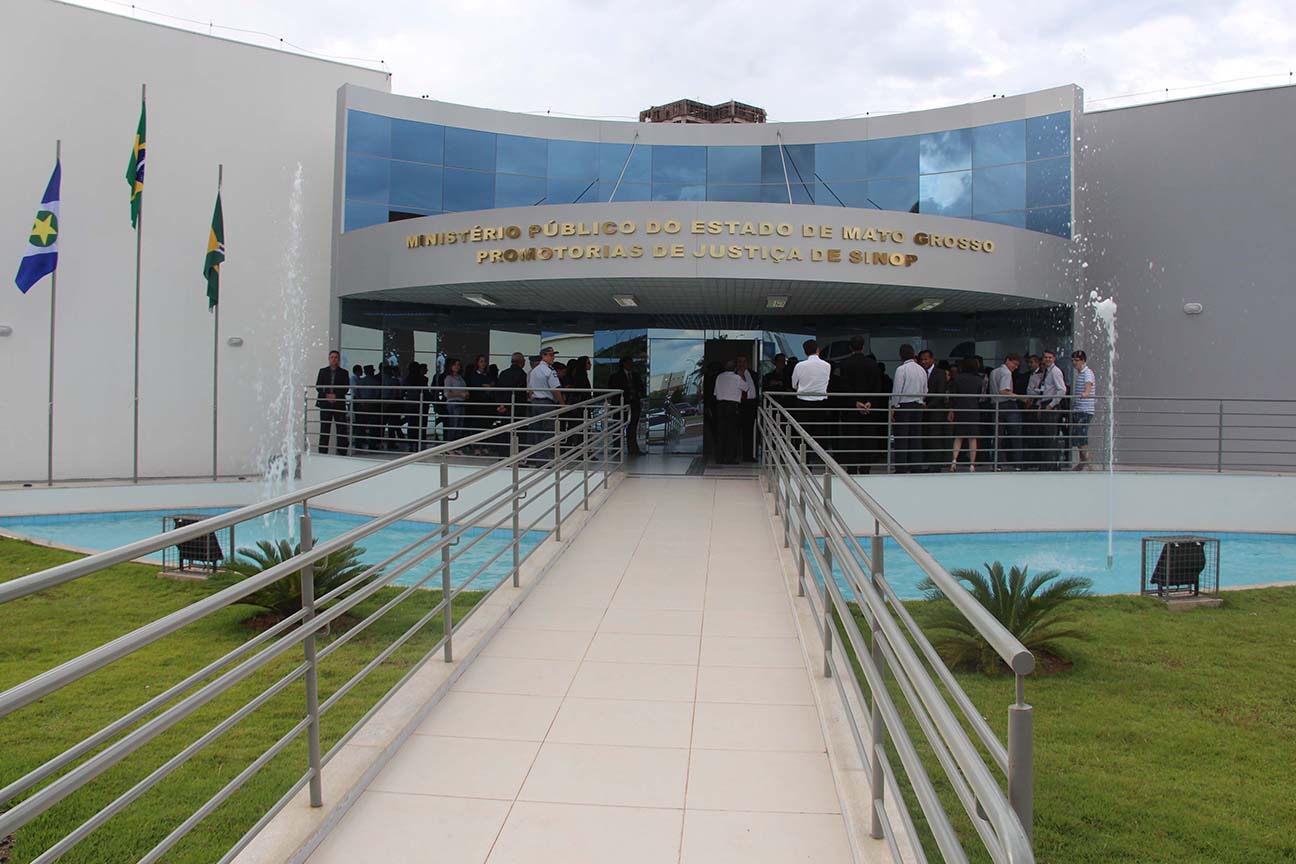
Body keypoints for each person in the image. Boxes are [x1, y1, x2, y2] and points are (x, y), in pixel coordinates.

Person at [836, 335, 883, 472]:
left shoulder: (844, 364)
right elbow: (877, 386)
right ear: (863, 347)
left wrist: (855, 402)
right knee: (868, 438)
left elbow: (843, 386)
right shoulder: (872, 364)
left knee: (851, 438)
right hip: (868, 408)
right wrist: (869, 402)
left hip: (851, 408)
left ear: (850, 347)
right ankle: (865, 467)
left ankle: (851, 467)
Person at [890, 345, 928, 473]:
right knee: (916, 437)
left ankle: (901, 466)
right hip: (918, 405)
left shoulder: (901, 369)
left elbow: (897, 390)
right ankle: (916, 465)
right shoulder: (921, 370)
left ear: (901, 355)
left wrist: (894, 406)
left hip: (904, 405)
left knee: (902, 437)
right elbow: (925, 390)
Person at [948, 357, 985, 471]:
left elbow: (953, 395)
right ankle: (972, 464)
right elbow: (979, 395)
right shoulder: (978, 379)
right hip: (973, 408)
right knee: (972, 438)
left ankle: (954, 460)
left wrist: (951, 409)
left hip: (960, 408)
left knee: (958, 436)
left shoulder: (958, 378)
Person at [527, 346, 564, 458]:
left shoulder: (534, 371)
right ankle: (543, 457)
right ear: (543, 356)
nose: (553, 357)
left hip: (535, 402)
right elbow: (555, 389)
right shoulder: (549, 371)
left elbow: (530, 390)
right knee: (549, 431)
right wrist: (562, 404)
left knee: (537, 431)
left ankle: (536, 457)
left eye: (553, 355)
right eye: (551, 355)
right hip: (546, 403)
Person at [712, 360, 749, 464]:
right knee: (732, 433)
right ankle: (730, 458)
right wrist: (742, 376)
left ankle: (719, 458)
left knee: (721, 432)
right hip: (732, 406)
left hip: (720, 406)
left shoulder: (719, 377)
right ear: (735, 368)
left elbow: (715, 393)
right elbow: (746, 388)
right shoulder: (737, 378)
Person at [990, 353, 1023, 468]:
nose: (1015, 367)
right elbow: (1003, 391)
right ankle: (1018, 463)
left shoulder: (994, 372)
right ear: (1008, 360)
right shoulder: (1006, 373)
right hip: (1008, 405)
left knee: (997, 436)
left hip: (996, 404)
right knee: (1015, 434)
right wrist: (1020, 397)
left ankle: (997, 463)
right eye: (1014, 364)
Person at [314, 350, 350, 455]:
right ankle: (322, 452)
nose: (334, 359)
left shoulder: (344, 373)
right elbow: (318, 386)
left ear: (339, 360)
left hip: (338, 403)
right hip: (325, 403)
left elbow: (346, 388)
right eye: (332, 357)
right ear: (329, 359)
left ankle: (342, 451)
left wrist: (336, 395)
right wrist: (327, 394)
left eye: (336, 357)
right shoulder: (323, 371)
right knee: (325, 428)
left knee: (341, 428)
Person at [608, 356, 645, 456]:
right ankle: (616, 449)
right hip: (621, 405)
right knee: (618, 427)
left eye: (631, 362)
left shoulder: (636, 375)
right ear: (624, 364)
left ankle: (633, 449)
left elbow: (641, 388)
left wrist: (637, 394)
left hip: (634, 405)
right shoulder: (615, 376)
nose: (631, 365)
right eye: (628, 362)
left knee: (632, 428)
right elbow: (613, 390)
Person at [1038, 350, 1068, 469]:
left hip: (1051, 405)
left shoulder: (1055, 371)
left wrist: (1051, 404)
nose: (1047, 359)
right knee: (1046, 436)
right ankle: (1047, 464)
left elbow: (1062, 390)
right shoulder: (1047, 371)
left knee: (1050, 436)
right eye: (1045, 357)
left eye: (1050, 357)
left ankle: (1050, 466)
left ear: (1054, 358)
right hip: (1046, 403)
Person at [918, 349, 946, 472]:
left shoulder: (940, 373)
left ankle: (936, 465)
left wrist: (928, 406)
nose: (924, 362)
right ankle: (927, 463)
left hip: (935, 411)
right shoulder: (920, 372)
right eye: (922, 359)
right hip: (923, 410)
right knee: (926, 437)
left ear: (932, 359)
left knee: (935, 438)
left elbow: (940, 393)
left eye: (926, 359)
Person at [1071, 350, 1096, 470]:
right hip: (1079, 409)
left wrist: (1086, 393)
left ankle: (1088, 463)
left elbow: (1088, 385)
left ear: (1083, 361)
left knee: (1081, 436)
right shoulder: (1081, 373)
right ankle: (1083, 462)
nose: (1074, 363)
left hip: (1085, 410)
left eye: (1076, 360)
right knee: (1079, 436)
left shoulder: (1087, 373)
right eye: (1073, 360)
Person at [466, 354, 495, 455]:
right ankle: (476, 446)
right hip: (477, 404)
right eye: (481, 361)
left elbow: (492, 383)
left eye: (484, 361)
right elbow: (476, 385)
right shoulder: (474, 374)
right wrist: (485, 385)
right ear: (477, 363)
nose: (483, 363)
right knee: (476, 425)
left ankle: (484, 445)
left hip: (487, 404)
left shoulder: (488, 374)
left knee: (485, 425)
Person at [734, 353, 759, 462]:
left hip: (750, 405)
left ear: (747, 363)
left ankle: (748, 456)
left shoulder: (753, 374)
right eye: (739, 361)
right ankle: (733, 456)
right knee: (735, 431)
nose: (742, 364)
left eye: (744, 361)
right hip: (737, 405)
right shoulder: (732, 375)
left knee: (748, 432)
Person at [441, 358, 469, 448]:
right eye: (454, 365)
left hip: (462, 402)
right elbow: (446, 393)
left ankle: (457, 446)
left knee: (460, 425)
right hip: (453, 403)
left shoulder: (460, 378)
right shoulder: (449, 378)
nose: (457, 367)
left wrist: (466, 394)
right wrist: (460, 394)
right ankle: (450, 446)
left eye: (458, 365)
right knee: (454, 424)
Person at [496, 352, 528, 429]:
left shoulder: (503, 373)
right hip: (517, 408)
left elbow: (498, 390)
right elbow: (520, 393)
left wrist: (500, 405)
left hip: (503, 407)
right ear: (521, 362)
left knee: (505, 429)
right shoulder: (522, 374)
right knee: (517, 429)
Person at [404, 361, 431, 450]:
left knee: (412, 424)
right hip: (420, 403)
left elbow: (403, 391)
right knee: (421, 423)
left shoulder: (407, 379)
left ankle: (412, 443)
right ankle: (420, 442)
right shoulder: (423, 379)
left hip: (411, 402)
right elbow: (425, 391)